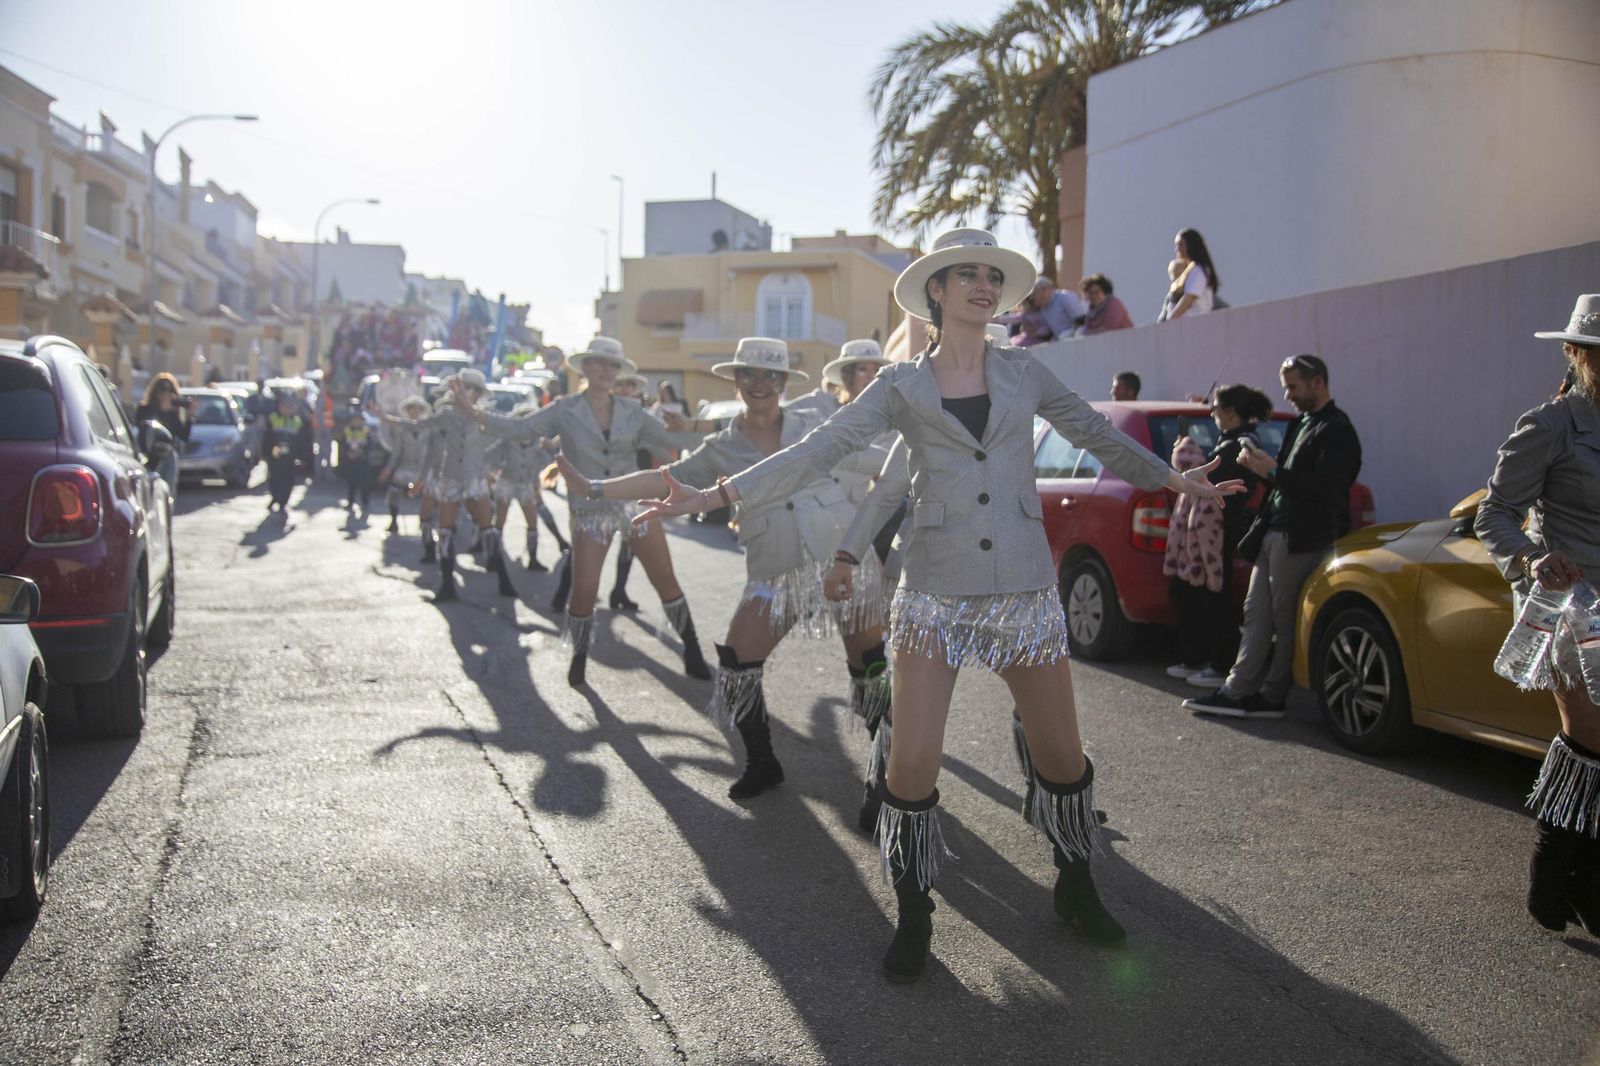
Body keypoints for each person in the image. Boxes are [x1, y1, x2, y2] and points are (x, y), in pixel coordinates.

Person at [630, 228, 1243, 982]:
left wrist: (1179, 482)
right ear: (937, 293)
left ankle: (1076, 886)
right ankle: (915, 910)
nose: (985, 286)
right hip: (934, 597)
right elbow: (815, 451)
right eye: (968, 276)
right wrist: (716, 493)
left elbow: (1092, 432)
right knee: (912, 762)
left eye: (994, 275)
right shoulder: (900, 386)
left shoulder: (1024, 372)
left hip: (1022, 591)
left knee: (1061, 757)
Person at [561, 336, 891, 803]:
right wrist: (594, 487)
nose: (760, 384)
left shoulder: (815, 424)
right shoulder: (720, 447)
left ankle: (886, 776)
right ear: (736, 380)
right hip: (775, 566)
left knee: (870, 666)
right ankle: (762, 762)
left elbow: (874, 460)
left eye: (770, 375)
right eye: (750, 374)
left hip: (838, 556)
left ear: (782, 381)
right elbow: (663, 479)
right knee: (737, 662)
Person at [453, 336, 711, 688]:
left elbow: (675, 440)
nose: (606, 370)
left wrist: (720, 429)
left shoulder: (633, 412)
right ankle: (578, 656)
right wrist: (475, 413)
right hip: (589, 510)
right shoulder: (565, 409)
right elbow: (522, 429)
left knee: (664, 578)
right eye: (599, 363)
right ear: (585, 368)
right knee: (585, 587)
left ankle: (693, 649)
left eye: (612, 365)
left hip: (632, 502)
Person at [1475, 293, 1600, 938]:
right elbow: (1492, 513)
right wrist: (1532, 560)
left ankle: (1567, 885)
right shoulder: (1551, 424)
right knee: (1591, 735)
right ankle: (1561, 881)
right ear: (1577, 355)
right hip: (1569, 603)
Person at [1184, 354, 1361, 719]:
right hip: (1275, 532)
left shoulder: (1336, 429)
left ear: (1318, 382)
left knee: (1283, 617)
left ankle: (1272, 694)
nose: (1288, 395)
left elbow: (1327, 489)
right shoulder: (1304, 423)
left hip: (1300, 536)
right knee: (1255, 613)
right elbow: (1287, 478)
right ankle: (1238, 690)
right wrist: (1263, 469)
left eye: (1293, 386)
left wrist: (1273, 471)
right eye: (1286, 387)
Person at [1165, 384, 1271, 688]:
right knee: (1194, 592)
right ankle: (1200, 658)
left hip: (1220, 530)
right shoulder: (1237, 440)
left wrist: (1184, 458)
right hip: (1213, 530)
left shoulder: (1237, 445)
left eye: (1215, 408)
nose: (1211, 412)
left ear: (1230, 412)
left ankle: (1221, 663)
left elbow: (1207, 479)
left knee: (1215, 597)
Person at [414, 369, 514, 600]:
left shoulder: (484, 417)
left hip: (474, 479)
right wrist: (387, 419)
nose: (466, 392)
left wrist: (490, 467)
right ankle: (447, 584)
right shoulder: (445, 415)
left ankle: (504, 581)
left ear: (478, 394)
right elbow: (422, 432)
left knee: (488, 529)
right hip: (449, 477)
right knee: (445, 530)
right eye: (464, 387)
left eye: (472, 389)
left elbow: (503, 440)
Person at [485, 402, 572, 574]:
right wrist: (491, 474)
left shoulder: (538, 443)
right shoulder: (507, 440)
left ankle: (533, 559)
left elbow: (545, 464)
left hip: (526, 485)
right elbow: (491, 456)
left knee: (532, 522)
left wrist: (546, 476)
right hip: (506, 483)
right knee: (499, 523)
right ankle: (493, 558)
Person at [377, 396, 432, 534]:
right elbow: (397, 452)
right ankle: (393, 520)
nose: (414, 412)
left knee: (431, 491)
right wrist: (388, 469)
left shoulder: (428, 429)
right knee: (394, 490)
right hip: (406, 467)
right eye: (411, 409)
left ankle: (426, 520)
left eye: (417, 409)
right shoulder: (402, 430)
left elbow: (432, 452)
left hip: (423, 468)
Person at [135, 373, 192, 493]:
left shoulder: (173, 412)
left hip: (167, 455)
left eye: (170, 390)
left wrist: (189, 417)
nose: (166, 394)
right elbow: (143, 426)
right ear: (155, 392)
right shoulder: (144, 408)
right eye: (163, 389)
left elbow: (183, 436)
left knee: (168, 491)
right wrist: (161, 410)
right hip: (148, 455)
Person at [262, 388, 313, 513]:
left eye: (290, 406)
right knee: (274, 479)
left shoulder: (298, 422)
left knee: (288, 480)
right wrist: (266, 453)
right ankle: (275, 497)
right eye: (284, 405)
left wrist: (302, 458)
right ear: (279, 406)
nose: (287, 408)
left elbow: (303, 442)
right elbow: (266, 438)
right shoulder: (273, 418)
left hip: (291, 456)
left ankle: (283, 502)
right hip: (275, 455)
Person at [1158, 229, 1218, 322]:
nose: (1177, 249)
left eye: (1180, 245)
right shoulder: (1190, 270)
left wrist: (1170, 322)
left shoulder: (1198, 270)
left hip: (1193, 326)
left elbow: (1188, 300)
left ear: (1191, 245)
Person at [337, 398, 378, 516]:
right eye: (354, 420)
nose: (356, 422)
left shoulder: (365, 431)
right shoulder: (346, 431)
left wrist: (361, 452)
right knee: (351, 483)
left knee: (364, 483)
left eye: (358, 420)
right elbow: (343, 445)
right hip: (351, 461)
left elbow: (370, 445)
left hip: (362, 461)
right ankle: (350, 501)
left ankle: (365, 502)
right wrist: (348, 454)